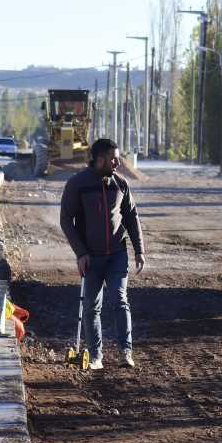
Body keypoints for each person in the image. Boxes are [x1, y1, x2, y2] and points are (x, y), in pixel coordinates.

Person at [59, 137, 144, 370]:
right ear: (100, 160)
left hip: (117, 254)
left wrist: (139, 250)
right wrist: (80, 253)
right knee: (91, 306)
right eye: (114, 159)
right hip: (91, 258)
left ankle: (126, 352)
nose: (118, 163)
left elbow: (131, 217)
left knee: (120, 299)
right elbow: (66, 219)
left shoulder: (121, 184)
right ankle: (96, 356)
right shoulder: (78, 184)